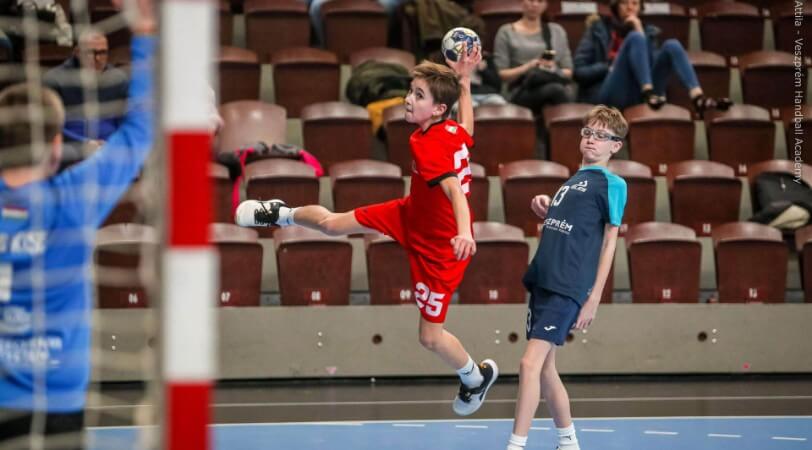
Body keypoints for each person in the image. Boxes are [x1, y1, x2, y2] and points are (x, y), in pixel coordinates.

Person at [235, 47, 499, 416]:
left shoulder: (426, 145)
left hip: (441, 247)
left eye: (418, 95)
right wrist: (465, 82)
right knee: (332, 224)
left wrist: (465, 232)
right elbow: (467, 128)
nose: (408, 99)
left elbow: (455, 190)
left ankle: (475, 377)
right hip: (410, 214)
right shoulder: (450, 129)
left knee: (429, 337)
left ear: (439, 109)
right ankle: (281, 214)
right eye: (411, 91)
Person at [0, 0, 154, 447]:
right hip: (58, 402)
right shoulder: (72, 201)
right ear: (56, 146)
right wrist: (146, 33)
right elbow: (140, 130)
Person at [505, 105, 628, 450]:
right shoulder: (573, 181)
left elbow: (609, 241)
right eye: (588, 132)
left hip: (568, 285)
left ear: (615, 146)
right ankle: (569, 442)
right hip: (545, 280)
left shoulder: (612, 184)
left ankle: (516, 445)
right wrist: (548, 206)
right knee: (545, 369)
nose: (591, 139)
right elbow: (571, 223)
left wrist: (593, 298)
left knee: (528, 364)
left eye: (601, 136)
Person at [573, 0, 730, 116]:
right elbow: (579, 71)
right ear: (616, 6)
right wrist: (609, 67)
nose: (630, 7)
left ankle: (698, 98)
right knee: (635, 38)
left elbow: (652, 66)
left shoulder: (648, 32)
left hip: (639, 92)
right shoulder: (598, 29)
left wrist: (639, 30)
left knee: (672, 45)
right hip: (609, 92)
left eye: (635, 3)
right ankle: (648, 93)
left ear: (640, 7)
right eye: (624, 3)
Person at [44, 29, 129, 166]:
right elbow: (50, 127)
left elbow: (127, 122)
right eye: (90, 53)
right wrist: (83, 144)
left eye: (102, 53)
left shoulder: (118, 79)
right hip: (70, 151)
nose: (97, 59)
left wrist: (113, 144)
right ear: (77, 52)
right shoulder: (54, 80)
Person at [493, 0, 574, 114]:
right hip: (520, 88)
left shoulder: (557, 31)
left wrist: (552, 68)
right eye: (531, 0)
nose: (535, 4)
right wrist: (529, 66)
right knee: (556, 90)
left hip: (552, 81)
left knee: (561, 90)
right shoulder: (506, 31)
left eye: (540, 1)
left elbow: (568, 71)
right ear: (522, 2)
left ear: (545, 4)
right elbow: (501, 74)